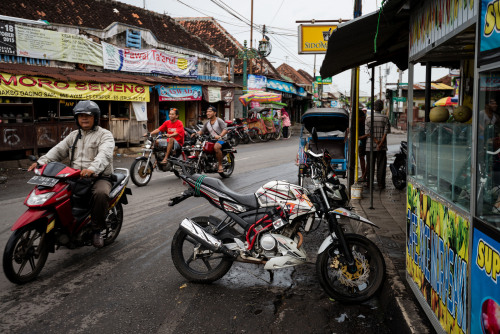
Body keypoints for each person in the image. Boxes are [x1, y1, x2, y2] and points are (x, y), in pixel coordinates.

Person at [28, 100, 115, 248]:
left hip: (99, 176)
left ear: (95, 117)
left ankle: (96, 229)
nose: (84, 118)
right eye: (80, 116)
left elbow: (104, 154)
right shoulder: (73, 135)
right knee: (57, 194)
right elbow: (58, 150)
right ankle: (65, 226)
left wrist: (93, 169)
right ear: (76, 119)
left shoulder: (105, 135)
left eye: (88, 115)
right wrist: (41, 162)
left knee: (100, 194)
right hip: (75, 176)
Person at [193, 105, 228, 173]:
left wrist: (220, 135)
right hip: (212, 139)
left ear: (214, 113)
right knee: (199, 147)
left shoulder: (219, 120)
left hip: (222, 139)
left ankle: (220, 165)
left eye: (210, 111)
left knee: (216, 147)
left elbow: (225, 129)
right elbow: (202, 131)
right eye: (207, 112)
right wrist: (196, 134)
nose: (207, 113)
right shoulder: (207, 123)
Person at [365, 99, 390, 190]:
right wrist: (380, 143)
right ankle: (380, 184)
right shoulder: (385, 118)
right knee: (381, 166)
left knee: (370, 166)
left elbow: (368, 132)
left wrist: (375, 141)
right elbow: (386, 132)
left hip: (369, 146)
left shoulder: (368, 118)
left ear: (374, 108)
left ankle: (369, 184)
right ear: (382, 107)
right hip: (382, 147)